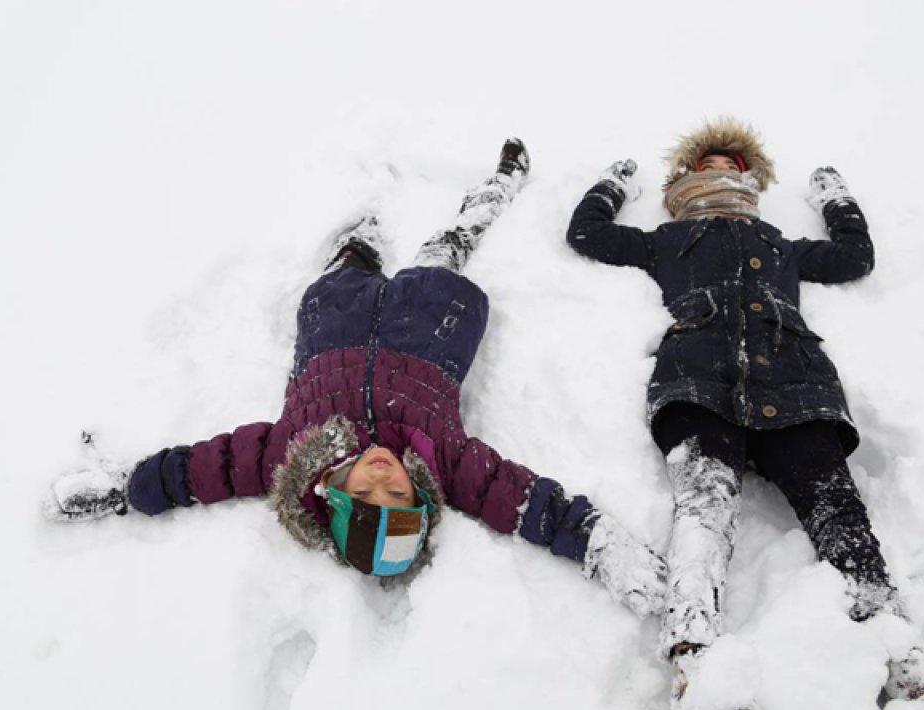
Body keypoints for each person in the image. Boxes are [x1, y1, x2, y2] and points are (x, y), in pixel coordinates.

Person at [46, 139, 667, 617]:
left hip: (337, 324)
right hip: (426, 325)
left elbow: (201, 470)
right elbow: (526, 500)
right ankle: (498, 187)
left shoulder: (287, 456)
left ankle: (361, 242)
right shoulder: (445, 462)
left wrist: (129, 490)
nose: (383, 479)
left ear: (334, 495)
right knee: (447, 248)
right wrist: (598, 544)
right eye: (399, 496)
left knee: (347, 267)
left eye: (366, 497)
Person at [566, 118, 924, 710]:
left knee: (840, 516)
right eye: (712, 164)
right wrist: (612, 182)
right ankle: (693, 668)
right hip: (697, 383)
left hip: (795, 387)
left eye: (736, 166)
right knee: (703, 512)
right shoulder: (666, 240)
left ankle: (907, 669)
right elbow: (587, 235)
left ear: (752, 180)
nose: (725, 171)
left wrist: (837, 200)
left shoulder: (779, 245)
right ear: (688, 178)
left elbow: (855, 258)